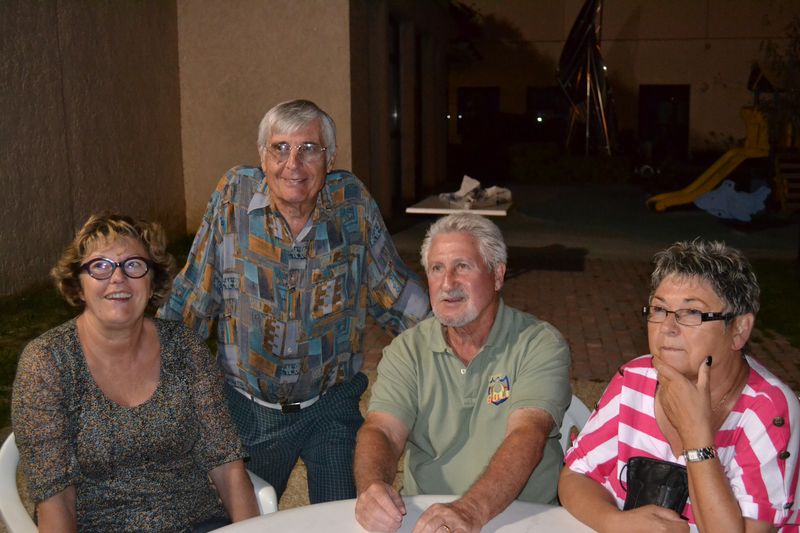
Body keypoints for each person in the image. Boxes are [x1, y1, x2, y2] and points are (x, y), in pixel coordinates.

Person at [159, 99, 429, 503]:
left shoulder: (351, 202)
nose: (293, 164)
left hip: (330, 406)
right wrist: (150, 365)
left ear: (330, 158)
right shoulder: (234, 197)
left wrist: (454, 338)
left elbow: (393, 289)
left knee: (343, 517)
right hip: (247, 409)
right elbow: (195, 292)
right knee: (234, 522)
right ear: (262, 156)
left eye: (309, 149)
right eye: (280, 148)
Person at [11, 213, 258, 532]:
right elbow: (55, 499)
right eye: (100, 266)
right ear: (79, 285)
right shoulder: (48, 362)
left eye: (133, 265)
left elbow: (227, 465)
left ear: (152, 282)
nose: (118, 278)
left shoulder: (184, 347)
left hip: (197, 522)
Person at [560, 239, 800, 532]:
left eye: (692, 313)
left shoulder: (768, 410)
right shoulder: (635, 380)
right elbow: (576, 475)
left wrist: (696, 437)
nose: (667, 327)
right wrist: (615, 522)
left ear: (739, 330)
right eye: (659, 309)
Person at [354, 212, 572, 533]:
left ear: (497, 276)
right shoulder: (407, 350)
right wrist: (373, 487)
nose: (447, 283)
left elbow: (527, 436)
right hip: (428, 517)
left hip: (524, 517)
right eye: (437, 269)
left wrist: (469, 510)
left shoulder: (538, 344)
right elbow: (383, 431)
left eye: (462, 266)